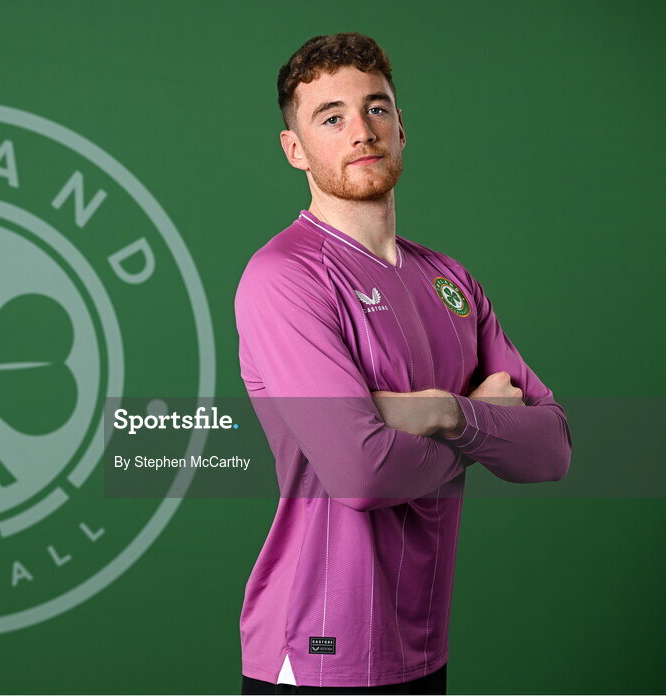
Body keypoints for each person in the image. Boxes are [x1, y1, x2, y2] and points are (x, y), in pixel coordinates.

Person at [234, 33, 572, 695]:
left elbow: (552, 447)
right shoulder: (284, 277)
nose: (361, 130)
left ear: (401, 127)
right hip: (318, 650)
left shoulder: (451, 280)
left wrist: (441, 411)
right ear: (295, 149)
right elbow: (360, 471)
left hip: (420, 643)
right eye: (331, 117)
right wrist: (480, 426)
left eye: (377, 108)